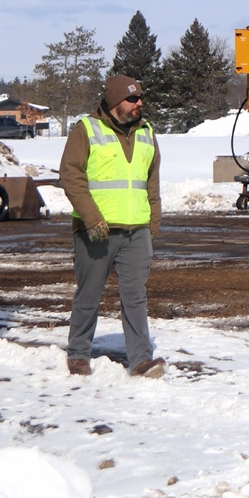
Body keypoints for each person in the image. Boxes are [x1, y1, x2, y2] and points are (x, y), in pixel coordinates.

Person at [59, 73, 163, 377]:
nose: (139, 103)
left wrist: (152, 224)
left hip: (136, 232)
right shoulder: (86, 129)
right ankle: (78, 353)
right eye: (133, 99)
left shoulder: (146, 132)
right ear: (116, 101)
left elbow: (151, 183)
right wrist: (91, 219)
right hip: (96, 233)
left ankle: (141, 360)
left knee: (135, 297)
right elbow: (71, 176)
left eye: (140, 98)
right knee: (89, 294)